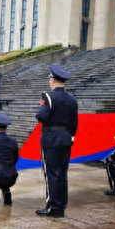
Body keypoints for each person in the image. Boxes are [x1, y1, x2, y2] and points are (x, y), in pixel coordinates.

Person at [35, 64, 77, 218]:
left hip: (51, 137)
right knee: (62, 172)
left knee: (51, 172)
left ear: (52, 80)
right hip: (66, 137)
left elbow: (41, 116)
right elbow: (74, 122)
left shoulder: (48, 97)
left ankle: (53, 207)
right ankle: (61, 206)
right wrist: (70, 137)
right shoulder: (72, 99)